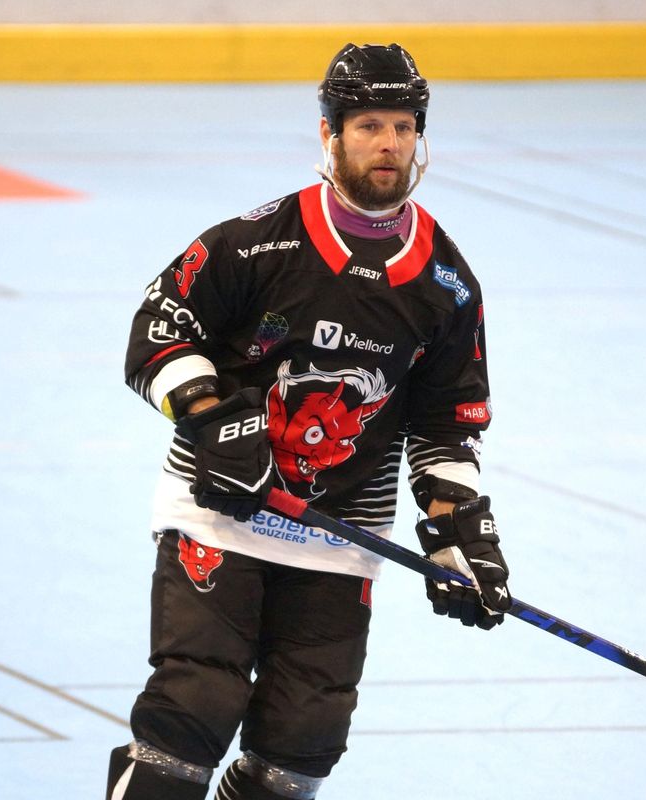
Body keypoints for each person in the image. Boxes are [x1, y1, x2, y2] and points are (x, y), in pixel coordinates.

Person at [107, 42, 512, 800]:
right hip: (220, 515)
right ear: (330, 133)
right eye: (368, 126)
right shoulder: (255, 241)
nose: (388, 143)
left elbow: (446, 422)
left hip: (338, 536)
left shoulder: (447, 283)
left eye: (403, 126)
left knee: (300, 750)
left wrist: (459, 533)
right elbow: (159, 332)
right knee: (191, 712)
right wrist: (211, 419)